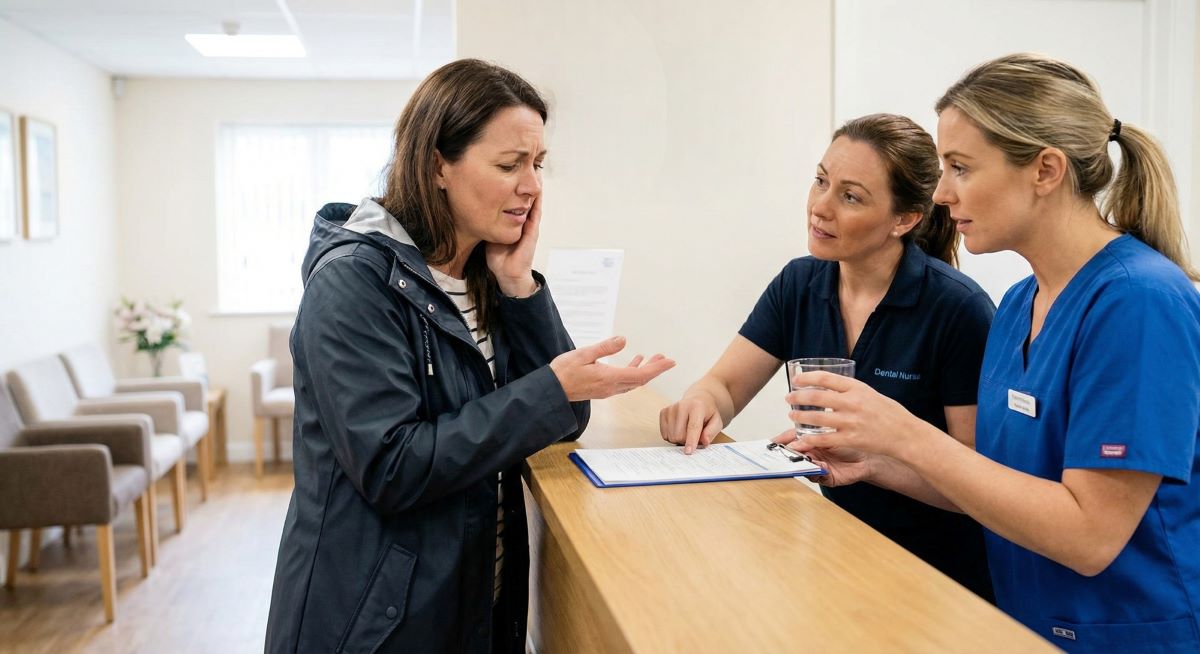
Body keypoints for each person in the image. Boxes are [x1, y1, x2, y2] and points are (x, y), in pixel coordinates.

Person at [785, 53, 1200, 653]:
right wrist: (878, 465)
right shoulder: (1017, 306)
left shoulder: (1139, 303)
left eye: (959, 167)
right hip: (1022, 627)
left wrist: (906, 435)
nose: (941, 193)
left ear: (1046, 170)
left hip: (1124, 635)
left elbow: (1089, 535)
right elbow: (998, 487)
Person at [264, 59, 674, 654]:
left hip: (472, 600)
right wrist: (553, 388)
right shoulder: (353, 283)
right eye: (509, 165)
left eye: (537, 164)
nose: (530, 185)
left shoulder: (484, 273)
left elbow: (563, 419)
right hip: (375, 623)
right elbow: (392, 468)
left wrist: (520, 287)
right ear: (437, 165)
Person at [660, 113, 995, 599]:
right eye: (820, 181)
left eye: (850, 196)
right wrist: (698, 401)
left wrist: (875, 464)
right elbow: (726, 386)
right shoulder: (800, 283)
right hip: (838, 555)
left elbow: (978, 483)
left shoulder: (957, 309)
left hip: (939, 581)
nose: (820, 206)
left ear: (904, 219)